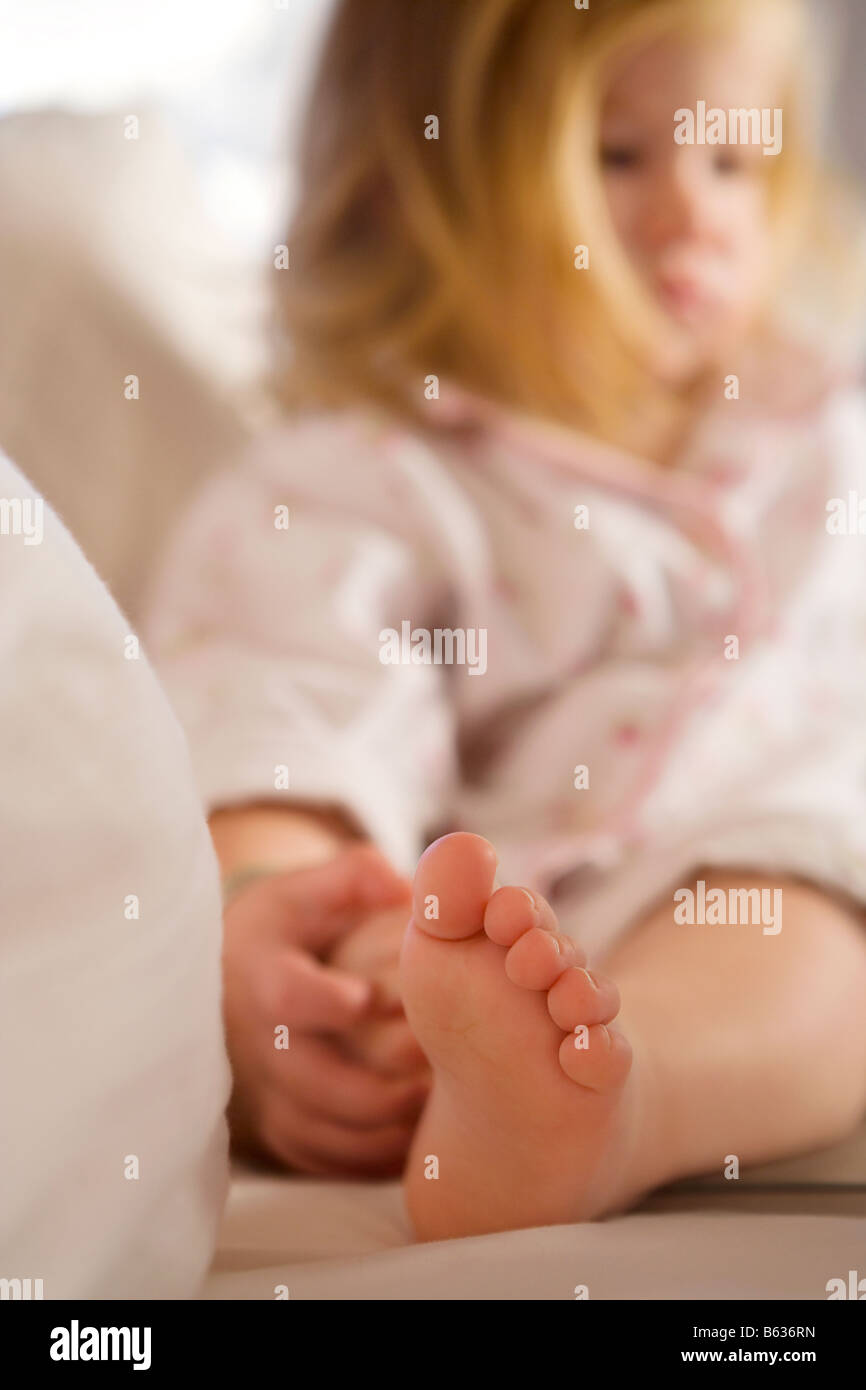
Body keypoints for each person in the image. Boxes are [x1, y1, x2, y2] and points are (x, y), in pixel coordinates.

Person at [145, 0, 866, 1235]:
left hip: (764, 883)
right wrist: (272, 908)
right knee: (356, 955)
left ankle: (605, 1104)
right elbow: (286, 707)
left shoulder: (828, 434)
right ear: (401, 193)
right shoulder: (363, 479)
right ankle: (470, 1073)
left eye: (731, 160)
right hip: (487, 935)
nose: (692, 211)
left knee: (804, 919)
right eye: (617, 155)